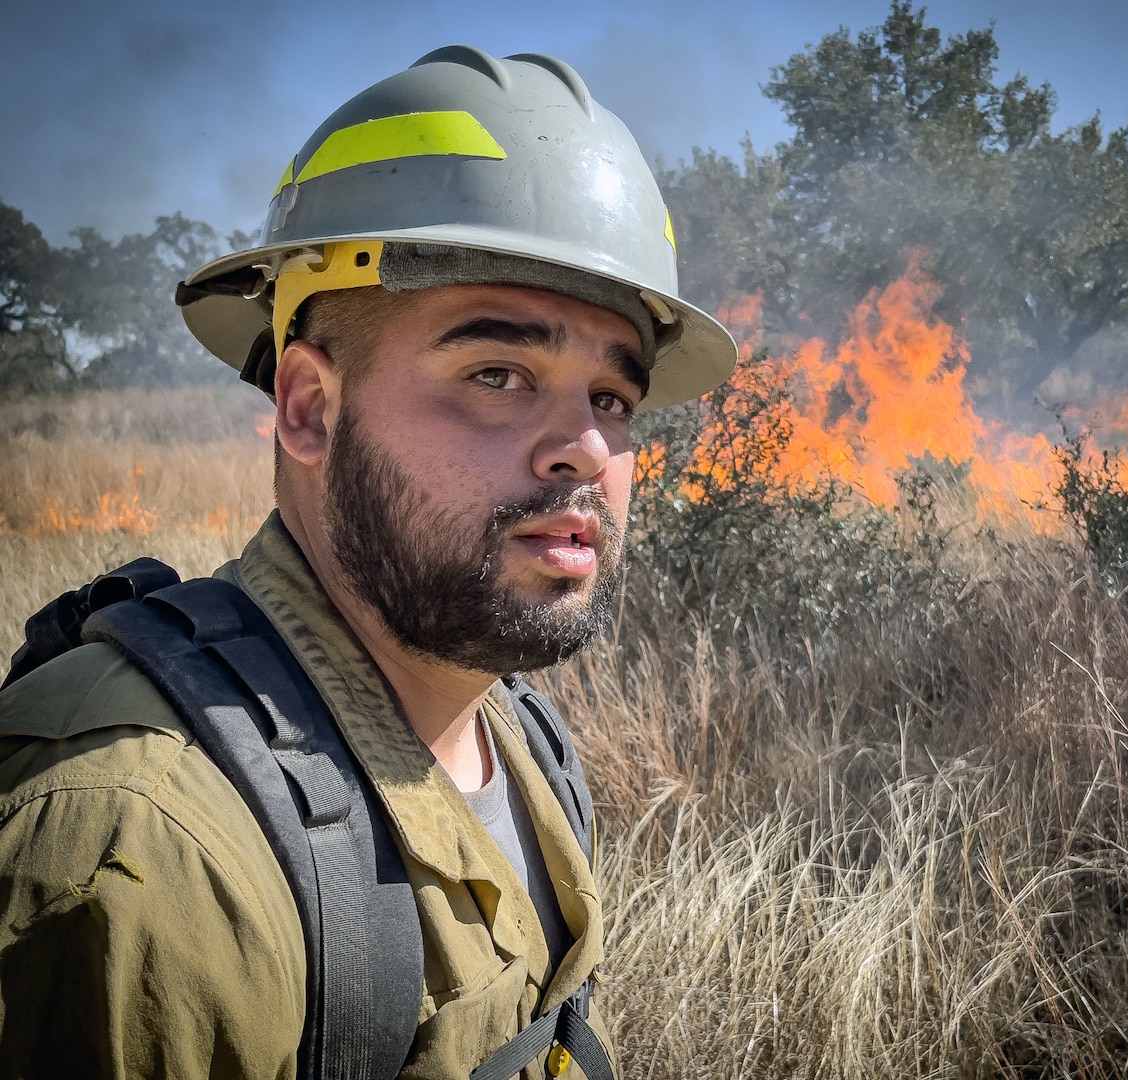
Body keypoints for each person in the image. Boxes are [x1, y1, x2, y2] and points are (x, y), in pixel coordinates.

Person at [0, 45, 735, 1079]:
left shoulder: (521, 735)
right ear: (310, 407)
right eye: (499, 373)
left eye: (612, 398)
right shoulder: (141, 842)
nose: (585, 447)